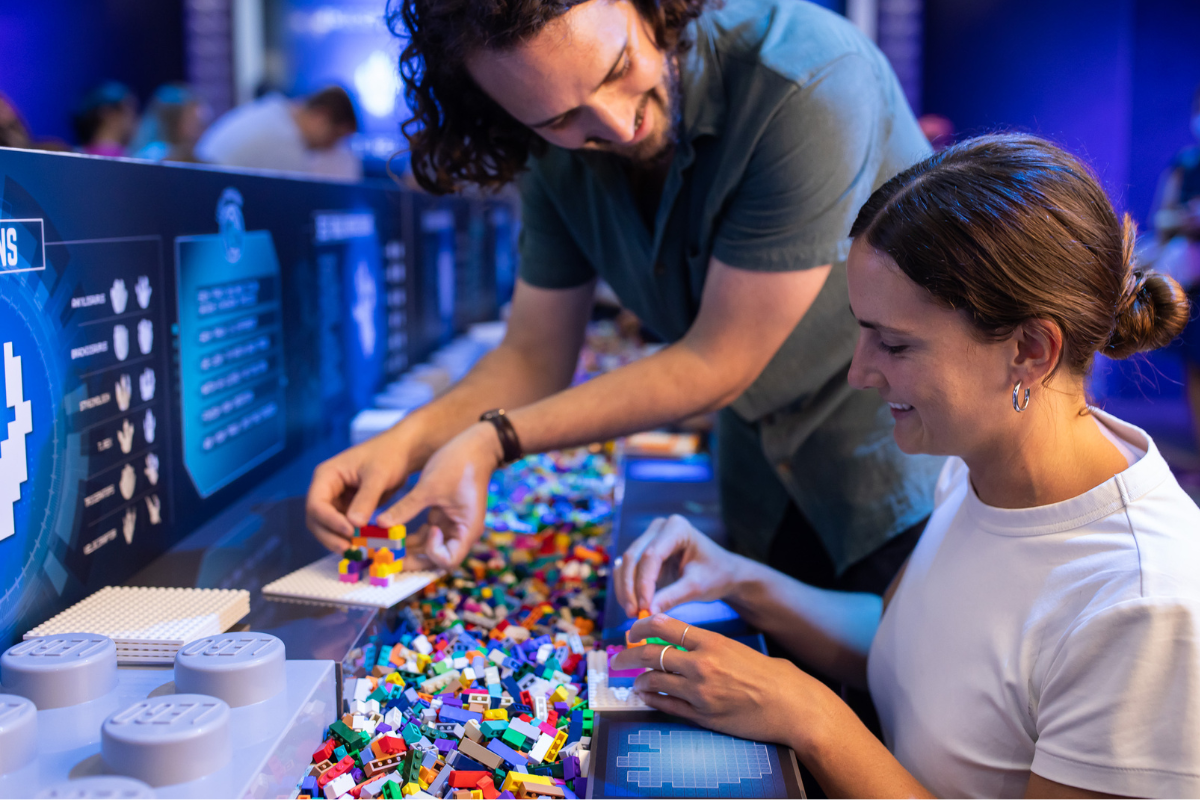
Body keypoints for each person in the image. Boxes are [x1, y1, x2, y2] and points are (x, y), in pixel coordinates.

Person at [611, 134, 1199, 798]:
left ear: (1031, 350)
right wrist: (740, 580)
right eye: (863, 333)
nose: (860, 372)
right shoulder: (976, 464)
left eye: (894, 345)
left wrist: (813, 717)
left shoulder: (1145, 607)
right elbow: (906, 645)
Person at [307, 0, 944, 611]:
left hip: (895, 461)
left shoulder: (803, 80)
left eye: (618, 69)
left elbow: (717, 363)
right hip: (762, 479)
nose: (614, 125)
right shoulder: (551, 157)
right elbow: (532, 355)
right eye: (559, 119)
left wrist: (492, 440)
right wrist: (402, 445)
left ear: (646, 5)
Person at [1152, 83, 1200, 455]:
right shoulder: (1185, 164)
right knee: (1196, 364)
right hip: (1194, 279)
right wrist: (1186, 220)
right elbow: (1160, 218)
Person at [195, 87, 362, 180]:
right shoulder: (286, 144)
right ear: (320, 116)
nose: (332, 148)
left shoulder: (274, 111)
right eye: (335, 137)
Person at [128, 84, 207, 163]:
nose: (197, 126)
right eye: (191, 119)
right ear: (173, 121)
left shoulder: (191, 152)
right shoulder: (156, 153)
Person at [73, 82, 138, 156]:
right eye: (131, 111)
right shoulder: (75, 155)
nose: (135, 118)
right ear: (108, 113)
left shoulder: (132, 156)